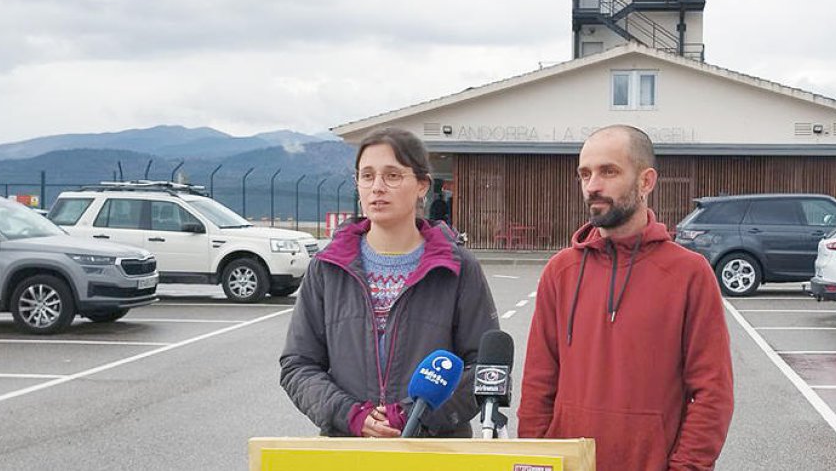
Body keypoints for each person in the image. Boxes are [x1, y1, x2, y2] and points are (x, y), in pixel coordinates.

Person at [519, 125, 734, 470]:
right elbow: (537, 384)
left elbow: (712, 392)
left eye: (609, 171)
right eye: (585, 174)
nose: (593, 186)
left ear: (646, 181)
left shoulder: (689, 274)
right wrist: (535, 460)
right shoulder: (560, 271)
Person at [279, 126, 499, 438]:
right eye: (366, 176)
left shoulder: (458, 268)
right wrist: (349, 415)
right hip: (349, 451)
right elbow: (298, 365)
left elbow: (485, 368)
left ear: (422, 185)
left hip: (434, 452)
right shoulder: (327, 268)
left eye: (392, 175)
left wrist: (414, 415)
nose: (377, 187)